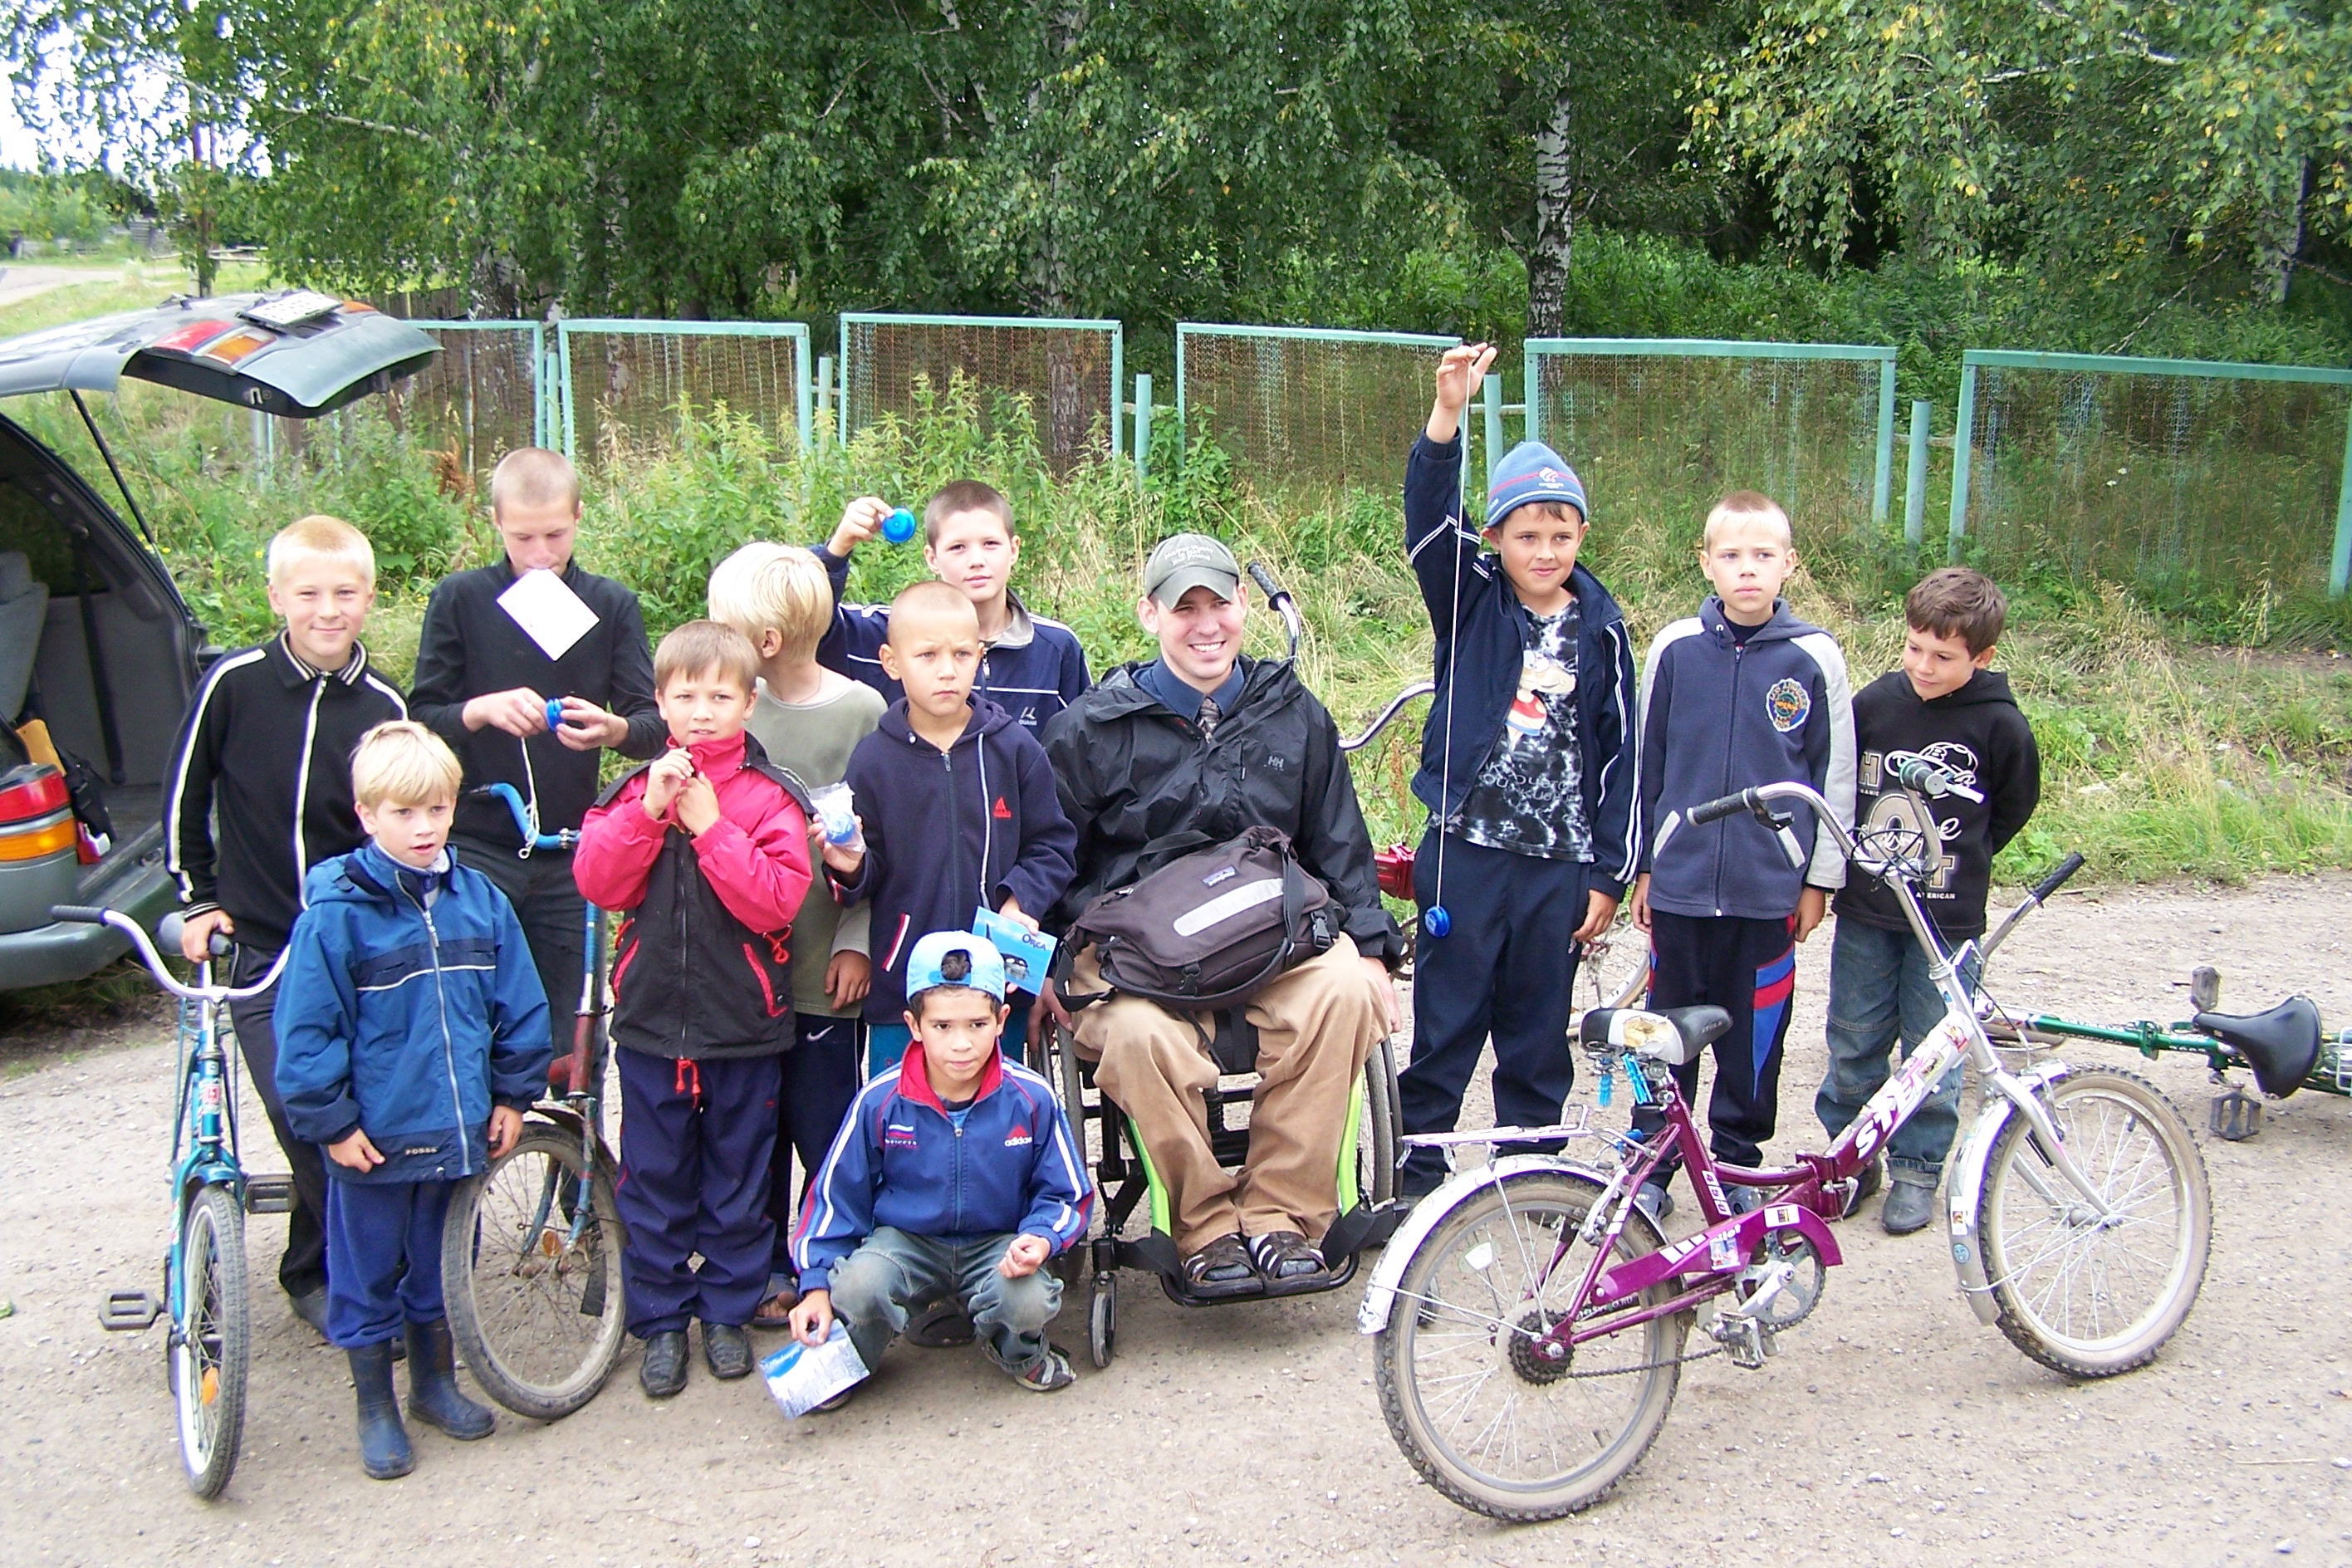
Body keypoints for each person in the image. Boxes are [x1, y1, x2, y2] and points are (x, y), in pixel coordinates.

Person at [1041, 534, 1401, 1296]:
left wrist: (1372, 950)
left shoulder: (1292, 713)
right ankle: (1202, 1227)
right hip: (1140, 954)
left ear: (1244, 606)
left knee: (1344, 991)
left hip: (1271, 938)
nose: (1206, 625)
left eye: (1219, 604)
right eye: (1184, 608)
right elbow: (1050, 860)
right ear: (1149, 616)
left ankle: (1282, 1215)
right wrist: (1045, 966)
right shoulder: (1090, 729)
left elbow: (1339, 837)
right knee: (1134, 1036)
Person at [272, 722, 551, 1480]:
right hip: (376, 1136)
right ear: (367, 815)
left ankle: (434, 1385)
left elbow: (520, 1006)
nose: (424, 828)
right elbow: (306, 1029)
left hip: (459, 1132)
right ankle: (375, 1406)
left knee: (442, 1264)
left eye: (436, 809)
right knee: (364, 1273)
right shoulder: (336, 912)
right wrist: (330, 1122)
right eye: (404, 813)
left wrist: (513, 1095)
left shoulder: (480, 901)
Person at [1395, 344, 1640, 1198]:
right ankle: (1418, 1167)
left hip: (1557, 863)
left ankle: (1529, 1169)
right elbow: (1429, 517)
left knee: (1537, 1029)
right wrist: (1447, 416)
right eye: (1526, 535)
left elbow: (1625, 758)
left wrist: (1611, 872)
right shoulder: (1469, 595)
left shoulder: (1604, 628)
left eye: (1560, 533)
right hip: (1466, 847)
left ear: (1582, 534)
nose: (1544, 550)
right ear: (1494, 538)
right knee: (1447, 1018)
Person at [163, 514, 409, 1336]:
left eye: (344, 593)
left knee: (366, 1109)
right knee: (309, 1114)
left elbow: (398, 820)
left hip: (349, 949)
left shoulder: (382, 704)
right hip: (261, 949)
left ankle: (325, 1264)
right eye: (309, 594)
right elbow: (186, 797)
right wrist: (197, 898)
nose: (327, 610)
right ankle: (329, 1270)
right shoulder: (234, 684)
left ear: (369, 599)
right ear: (278, 597)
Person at [572, 620, 821, 1398]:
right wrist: (650, 812)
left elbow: (778, 900)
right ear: (660, 702)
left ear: (750, 703)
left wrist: (712, 827)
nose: (703, 712)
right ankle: (659, 1321)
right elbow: (598, 882)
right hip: (651, 1028)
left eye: (721, 696)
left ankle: (726, 1309)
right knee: (653, 1180)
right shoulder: (627, 792)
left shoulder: (770, 796)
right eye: (686, 696)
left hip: (744, 1026)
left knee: (739, 1181)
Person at [1629, 491, 1855, 1221]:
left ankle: (1735, 1159)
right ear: (1706, 562)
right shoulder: (1673, 649)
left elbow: (1836, 775)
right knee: (1664, 1028)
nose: (1747, 570)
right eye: (1731, 556)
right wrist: (1643, 864)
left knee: (1754, 1032)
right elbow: (1645, 762)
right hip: (1681, 884)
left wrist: (1819, 878)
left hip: (1768, 891)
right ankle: (1654, 1158)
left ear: (1791, 564)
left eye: (1764, 556)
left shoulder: (1815, 658)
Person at [407, 446, 666, 1071]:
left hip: (570, 850)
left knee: (574, 1032)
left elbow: (653, 725)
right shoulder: (461, 599)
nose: (542, 553)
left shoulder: (609, 604)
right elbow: (421, 718)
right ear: (497, 524)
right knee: (469, 1016)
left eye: (556, 534)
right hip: (476, 845)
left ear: (579, 516)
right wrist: (481, 710)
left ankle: (578, 1158)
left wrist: (610, 730)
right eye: (524, 537)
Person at [1815, 566, 2040, 1234]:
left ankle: (1917, 1170)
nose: (1924, 665)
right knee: (1853, 1039)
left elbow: (2010, 809)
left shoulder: (2000, 726)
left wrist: (1958, 860)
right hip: (1869, 910)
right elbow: (1843, 779)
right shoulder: (1877, 704)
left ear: (1983, 657)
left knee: (1934, 1048)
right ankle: (1852, 1158)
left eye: (1943, 657)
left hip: (1947, 921)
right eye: (1915, 647)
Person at [789, 931, 1092, 1399]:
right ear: (914, 1025)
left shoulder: (1032, 1098)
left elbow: (1066, 1193)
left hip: (998, 1242)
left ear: (1000, 1021)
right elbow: (835, 1198)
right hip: (906, 1242)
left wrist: (1041, 1237)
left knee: (1028, 1298)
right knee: (857, 1286)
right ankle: (849, 1360)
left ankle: (1017, 1350)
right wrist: (813, 1286)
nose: (961, 1044)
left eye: (976, 1024)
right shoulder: (880, 1101)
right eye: (942, 1026)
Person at [706, 541, 886, 1327]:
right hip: (742, 967)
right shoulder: (729, 711)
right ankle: (763, 1267)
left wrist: (857, 934)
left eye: (726, 625)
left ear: (767, 643)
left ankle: (833, 1261)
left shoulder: (862, 713)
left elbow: (884, 841)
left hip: (824, 965)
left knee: (824, 1122)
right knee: (752, 1126)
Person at [835, 581, 1077, 1076]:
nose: (947, 670)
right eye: (927, 655)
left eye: (962, 654)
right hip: (903, 988)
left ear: (981, 656)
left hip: (995, 981)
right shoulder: (873, 760)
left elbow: (1054, 844)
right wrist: (850, 867)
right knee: (902, 1123)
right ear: (891, 661)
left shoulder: (1012, 748)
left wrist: (1020, 899)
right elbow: (865, 875)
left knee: (994, 1120)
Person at [814, 479, 1090, 733]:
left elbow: (1080, 750)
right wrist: (836, 551)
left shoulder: (1056, 648)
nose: (977, 560)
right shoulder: (890, 634)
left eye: (990, 543)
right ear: (932, 558)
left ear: (1014, 549)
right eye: (958, 547)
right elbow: (807, 630)